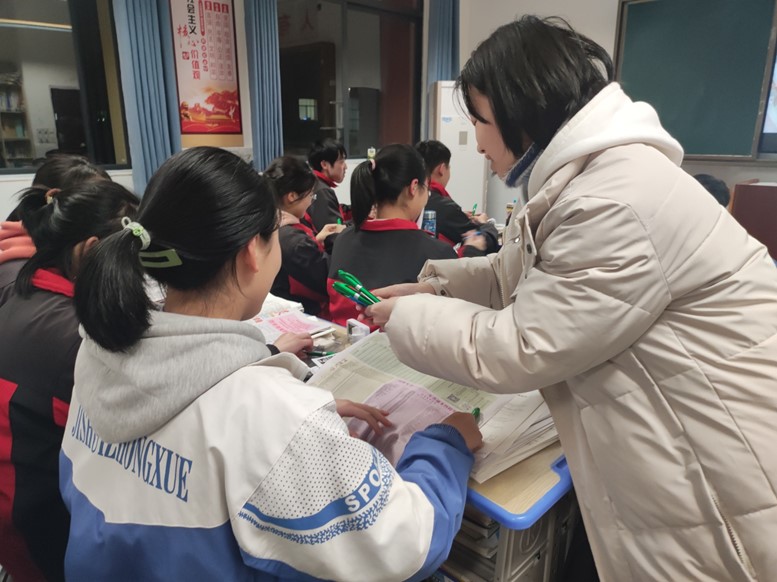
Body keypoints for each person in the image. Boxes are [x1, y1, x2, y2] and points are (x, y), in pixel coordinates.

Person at [360, 16, 777, 582]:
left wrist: (407, 315)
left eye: (480, 121)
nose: (476, 142)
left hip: (716, 465)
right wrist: (435, 286)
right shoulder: (583, 181)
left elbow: (521, 346)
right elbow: (518, 272)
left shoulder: (614, 200)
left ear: (523, 111)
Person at [61, 146, 482, 581]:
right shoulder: (267, 415)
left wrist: (293, 408)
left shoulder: (99, 352)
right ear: (252, 253)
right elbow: (404, 544)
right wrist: (445, 444)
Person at [0, 181, 139, 582]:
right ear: (91, 249)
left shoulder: (25, 292)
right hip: (37, 524)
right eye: (132, 256)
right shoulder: (75, 336)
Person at [327, 144, 458, 326]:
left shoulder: (343, 239)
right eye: (426, 188)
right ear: (414, 187)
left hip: (343, 341)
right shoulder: (437, 253)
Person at [264, 155, 344, 317]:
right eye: (310, 196)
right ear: (292, 196)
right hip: (305, 315)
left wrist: (315, 240)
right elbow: (329, 280)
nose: (310, 202)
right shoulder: (294, 242)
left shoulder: (271, 225)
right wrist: (344, 241)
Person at [415, 139, 499, 256]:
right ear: (442, 169)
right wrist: (485, 224)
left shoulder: (413, 199)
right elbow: (484, 240)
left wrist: (459, 215)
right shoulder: (444, 207)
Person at [306, 138, 348, 232]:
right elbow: (334, 232)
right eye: (341, 161)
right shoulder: (322, 191)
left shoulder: (313, 183)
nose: (346, 167)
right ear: (324, 165)